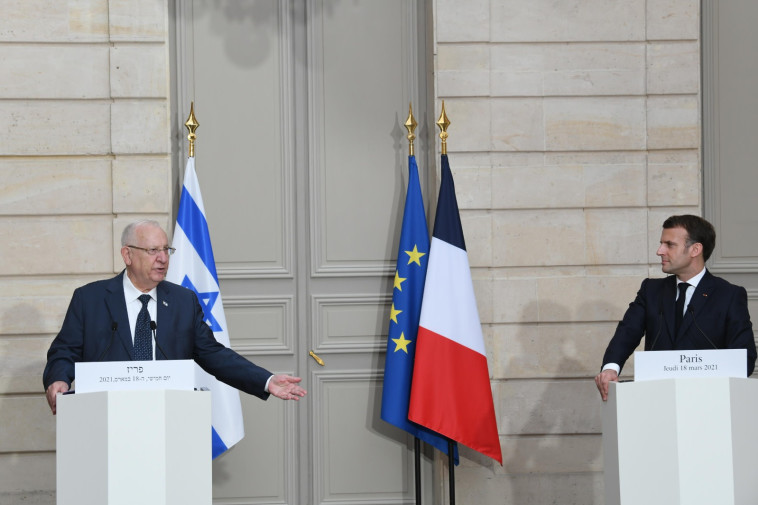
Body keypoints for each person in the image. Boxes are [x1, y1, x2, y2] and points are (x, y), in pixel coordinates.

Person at [43, 220, 306, 414]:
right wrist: (59, 379)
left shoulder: (183, 301)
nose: (162, 259)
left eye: (166, 250)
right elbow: (64, 351)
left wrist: (266, 380)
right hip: (103, 416)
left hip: (168, 417)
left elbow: (213, 354)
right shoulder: (90, 299)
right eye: (152, 250)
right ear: (127, 255)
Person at [595, 214, 757, 401]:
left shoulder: (729, 295)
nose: (660, 251)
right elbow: (627, 332)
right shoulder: (651, 290)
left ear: (695, 249)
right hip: (658, 401)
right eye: (661, 243)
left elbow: (744, 358)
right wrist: (610, 369)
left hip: (711, 402)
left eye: (669, 245)